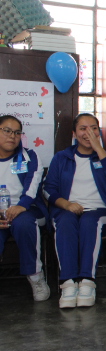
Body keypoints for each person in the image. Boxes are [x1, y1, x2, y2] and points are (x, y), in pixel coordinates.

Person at [44, 113, 106, 308]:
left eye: (93, 128)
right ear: (74, 133)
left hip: (100, 212)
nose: (88, 132)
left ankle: (88, 282)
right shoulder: (62, 158)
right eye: (83, 128)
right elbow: (48, 189)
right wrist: (66, 204)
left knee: (90, 221)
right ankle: (68, 283)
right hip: (68, 209)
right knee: (64, 221)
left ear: (99, 131)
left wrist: (99, 149)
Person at [0, 115, 50, 301]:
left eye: (17, 132)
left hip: (28, 209)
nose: (12, 136)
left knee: (23, 223)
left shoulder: (29, 156)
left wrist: (20, 206)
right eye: (7, 130)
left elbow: (32, 186)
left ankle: (36, 276)